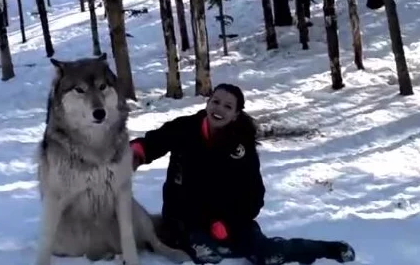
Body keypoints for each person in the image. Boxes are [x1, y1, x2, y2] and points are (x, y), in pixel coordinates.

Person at [129, 83, 355, 265]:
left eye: (228, 107)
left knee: (266, 254)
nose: (219, 109)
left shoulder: (241, 147)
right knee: (205, 253)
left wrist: (228, 222)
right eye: (215, 102)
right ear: (207, 103)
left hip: (229, 219)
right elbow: (152, 143)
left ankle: (326, 249)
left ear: (236, 114)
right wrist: (135, 153)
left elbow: (254, 195)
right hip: (184, 218)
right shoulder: (185, 128)